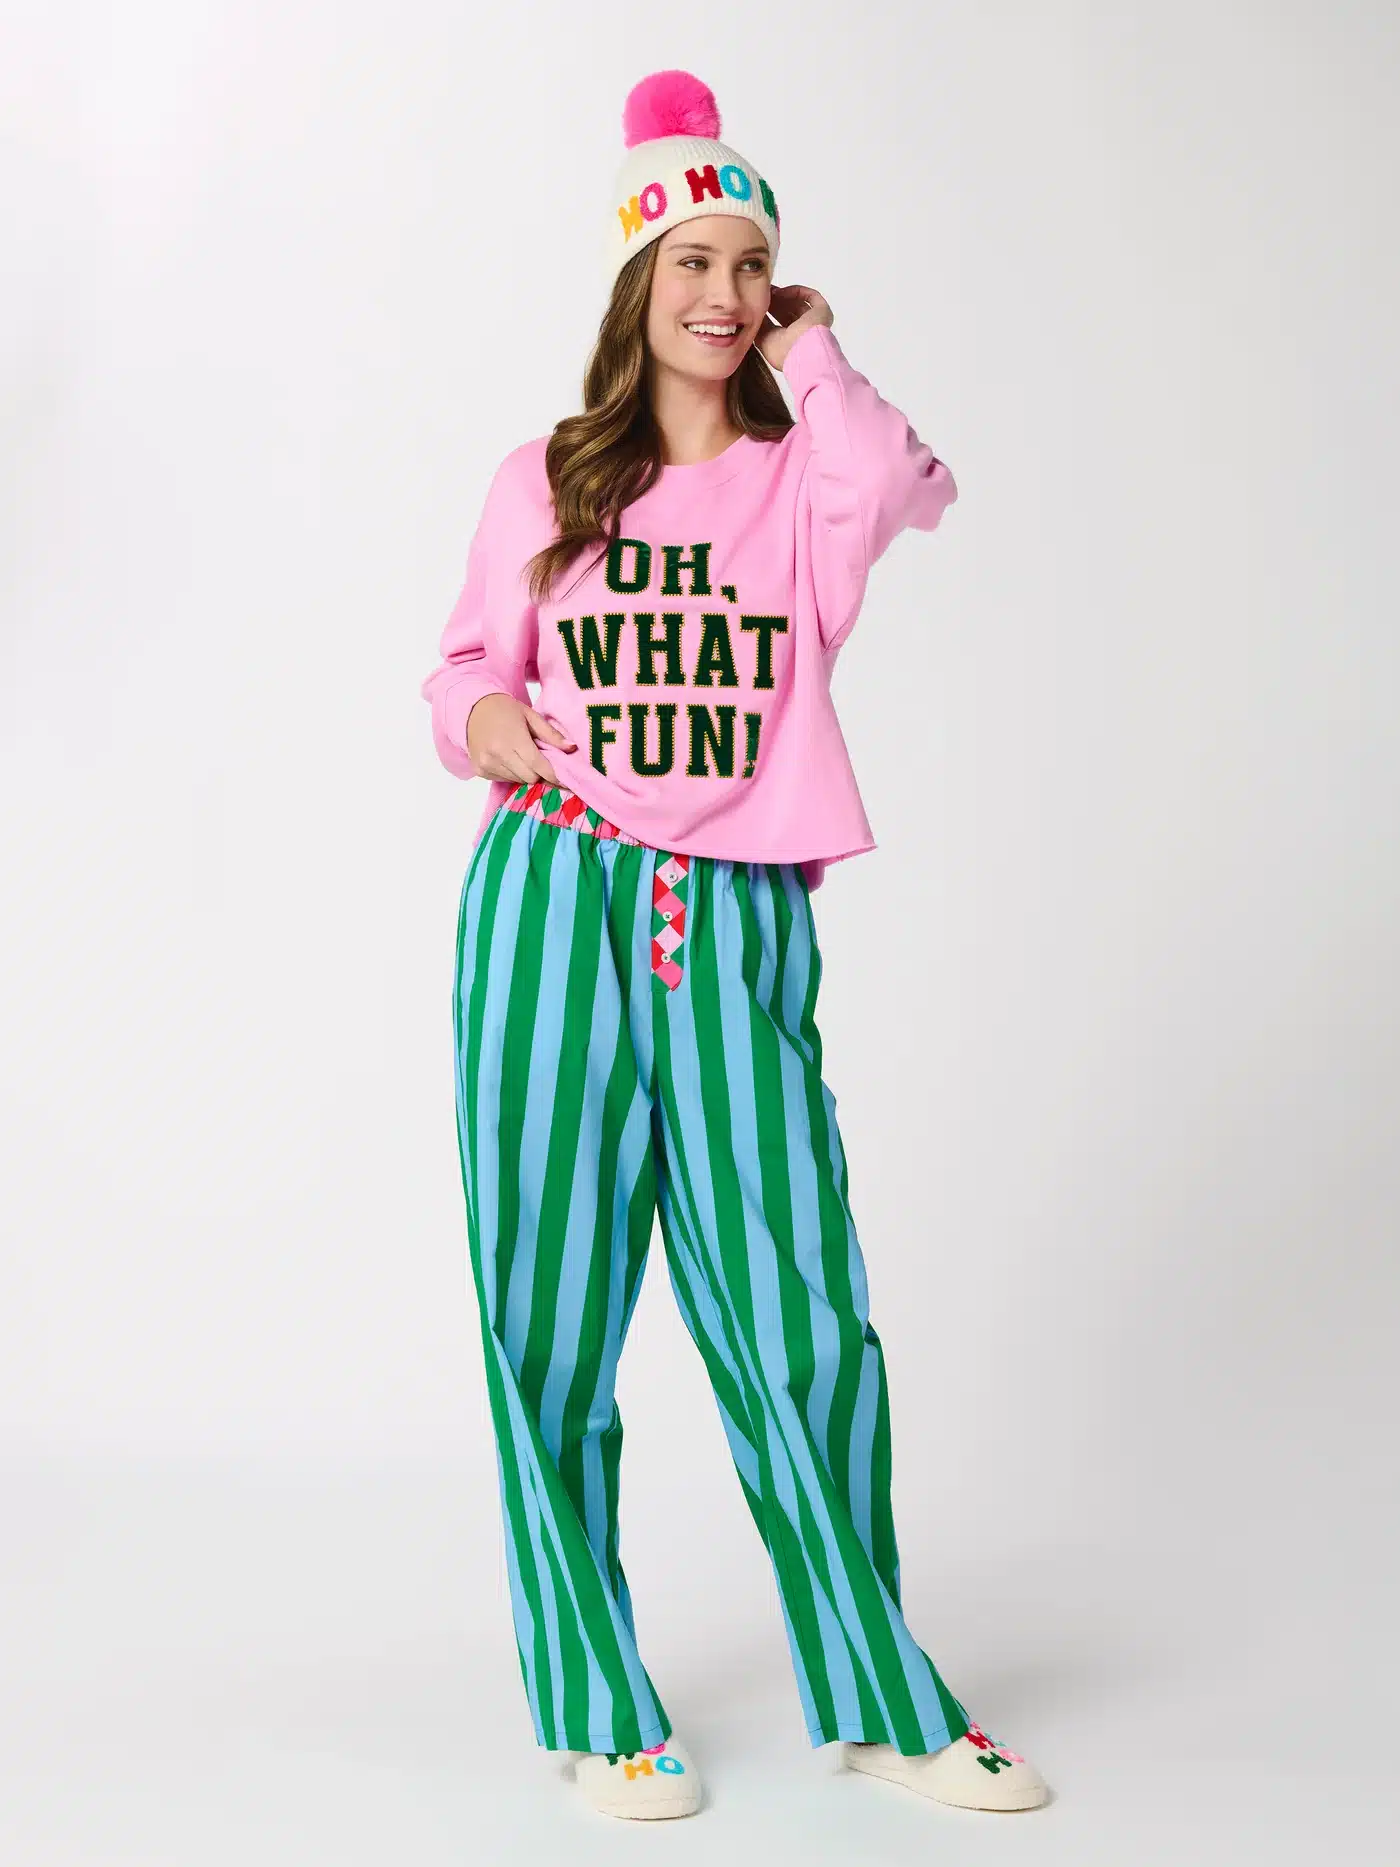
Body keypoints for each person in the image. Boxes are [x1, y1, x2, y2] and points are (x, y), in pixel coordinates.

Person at [421, 68, 1051, 1822]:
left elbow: (907, 480)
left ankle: (884, 1695)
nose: (720, 288)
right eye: (691, 258)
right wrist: (485, 722)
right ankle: (592, 1698)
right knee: (547, 1312)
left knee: (799, 1312)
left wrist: (816, 343)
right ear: (637, 281)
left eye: (749, 261)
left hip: (735, 917)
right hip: (551, 900)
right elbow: (461, 668)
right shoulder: (545, 477)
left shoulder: (801, 483)